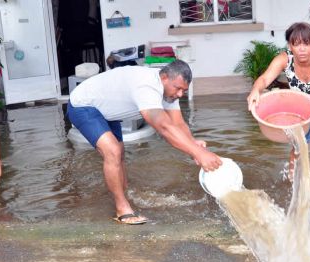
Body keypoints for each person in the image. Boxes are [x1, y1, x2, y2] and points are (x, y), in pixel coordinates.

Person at [67, 60, 222, 224]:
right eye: (178, 89)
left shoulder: (168, 93)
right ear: (164, 78)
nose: (180, 95)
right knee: (113, 151)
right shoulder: (146, 86)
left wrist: (194, 145)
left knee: (120, 155)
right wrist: (198, 153)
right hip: (83, 105)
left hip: (107, 110)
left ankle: (124, 193)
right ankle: (122, 209)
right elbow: (164, 127)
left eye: (184, 90)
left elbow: (177, 123)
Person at [246, 22, 310, 195]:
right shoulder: (285, 59)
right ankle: (292, 185)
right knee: (298, 148)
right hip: (304, 111)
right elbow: (264, 79)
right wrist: (255, 90)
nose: (301, 49)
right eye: (296, 44)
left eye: (306, 43)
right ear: (289, 45)